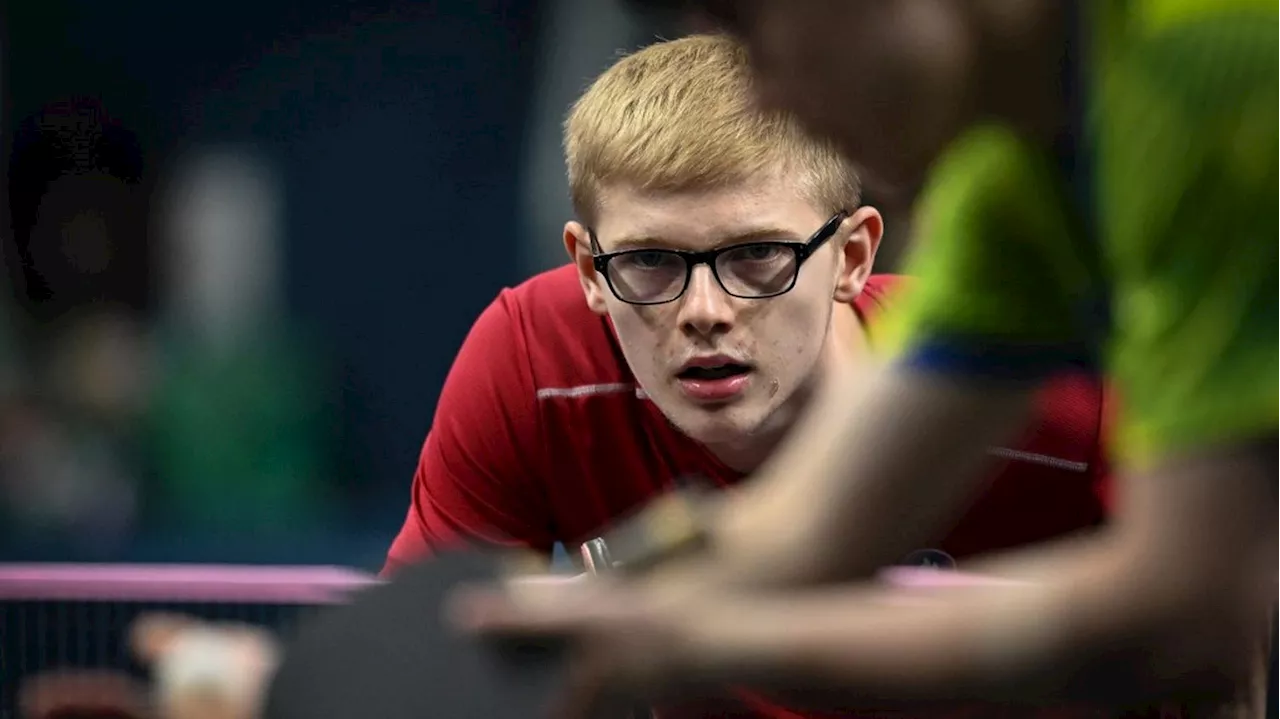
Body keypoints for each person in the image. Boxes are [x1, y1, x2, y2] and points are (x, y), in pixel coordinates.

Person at [134, 33, 1114, 719]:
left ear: (853, 253)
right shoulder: (531, 360)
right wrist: (280, 699)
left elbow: (1209, 630)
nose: (702, 309)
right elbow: (434, 667)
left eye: (757, 256)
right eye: (647, 261)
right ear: (585, 266)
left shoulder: (1034, 386)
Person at [457, 1, 1280, 716]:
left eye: (755, 29)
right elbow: (810, 523)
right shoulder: (1012, 179)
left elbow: (1188, 605)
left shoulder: (1220, 72)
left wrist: (696, 637)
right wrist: (609, 603)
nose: (763, 96)